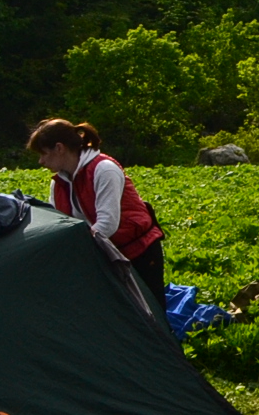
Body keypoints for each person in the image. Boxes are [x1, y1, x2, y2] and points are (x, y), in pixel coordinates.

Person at [29, 118, 167, 320]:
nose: (41, 161)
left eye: (43, 153)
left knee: (151, 313)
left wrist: (76, 247)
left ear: (59, 148)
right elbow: (60, 222)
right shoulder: (59, 182)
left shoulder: (104, 169)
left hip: (137, 252)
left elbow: (107, 224)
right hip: (104, 255)